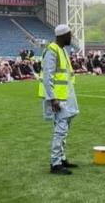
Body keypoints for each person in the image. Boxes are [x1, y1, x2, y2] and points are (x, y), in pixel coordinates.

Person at [38, 24, 79, 175]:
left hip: (66, 96)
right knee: (60, 129)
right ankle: (55, 163)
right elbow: (48, 76)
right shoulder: (52, 50)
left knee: (64, 129)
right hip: (58, 98)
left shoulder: (61, 50)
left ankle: (61, 158)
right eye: (70, 35)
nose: (71, 37)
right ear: (62, 35)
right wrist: (52, 98)